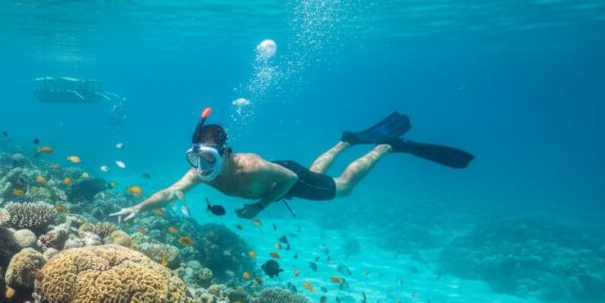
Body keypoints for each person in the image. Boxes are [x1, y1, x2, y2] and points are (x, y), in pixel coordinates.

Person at [110, 108, 473, 222]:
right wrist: (139, 207)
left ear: (226, 154)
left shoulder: (252, 168)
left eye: (209, 159)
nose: (202, 167)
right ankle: (346, 141)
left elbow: (286, 179)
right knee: (318, 173)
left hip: (284, 177)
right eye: (196, 159)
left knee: (343, 188)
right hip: (280, 176)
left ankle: (385, 149)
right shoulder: (200, 172)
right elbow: (170, 191)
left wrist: (261, 206)